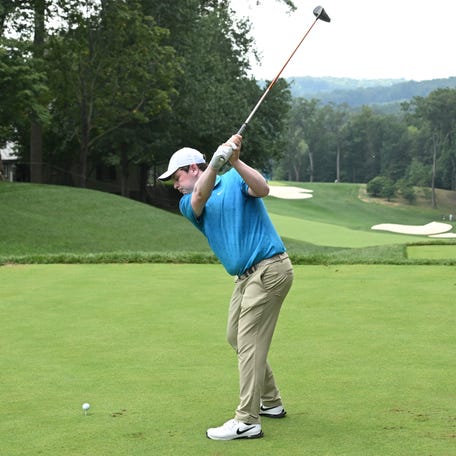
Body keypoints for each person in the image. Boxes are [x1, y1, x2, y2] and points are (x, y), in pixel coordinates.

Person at [158, 134, 294, 441]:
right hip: (245, 277)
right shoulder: (188, 203)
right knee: (235, 336)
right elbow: (199, 197)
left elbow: (262, 188)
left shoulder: (234, 180)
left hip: (270, 269)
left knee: (248, 341)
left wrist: (233, 159)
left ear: (192, 168)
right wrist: (216, 163)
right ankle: (271, 402)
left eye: (176, 177)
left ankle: (247, 420)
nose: (175, 184)